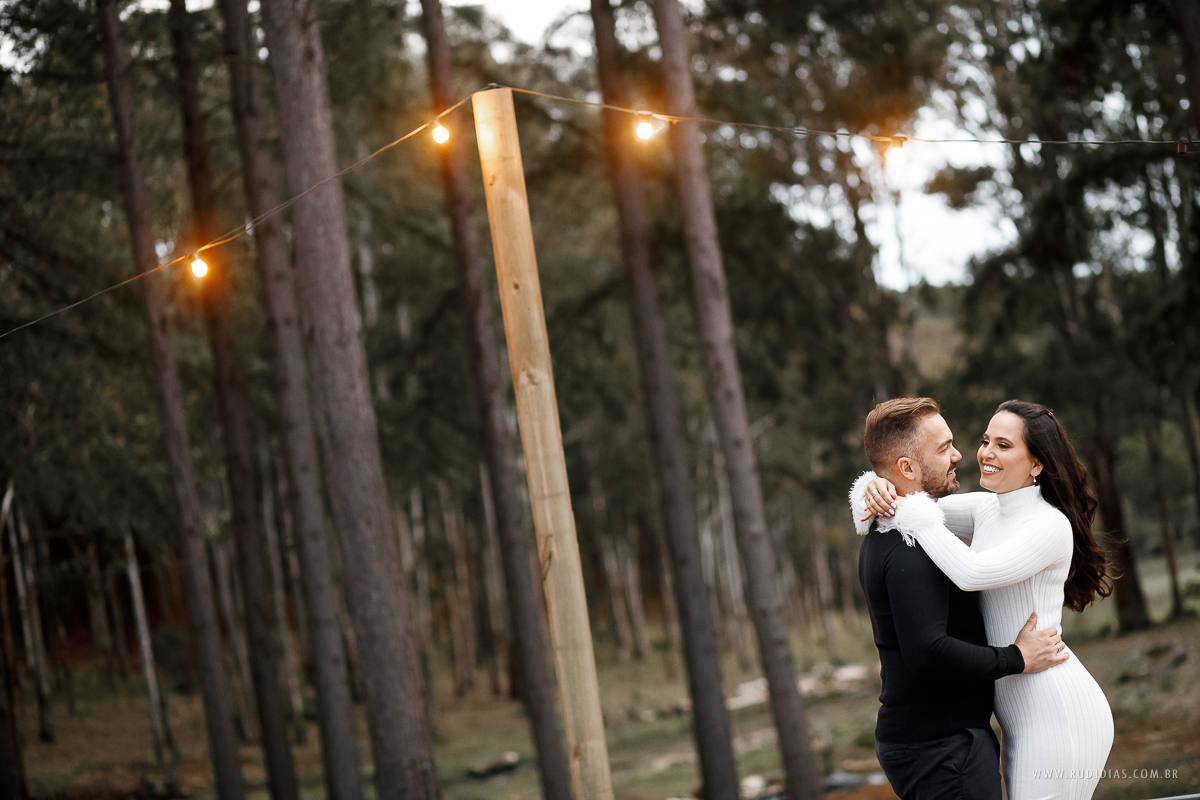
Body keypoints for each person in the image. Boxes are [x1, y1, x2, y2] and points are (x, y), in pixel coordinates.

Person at [855, 399, 1114, 800]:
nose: (983, 453)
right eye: (985, 440)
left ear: (1037, 463)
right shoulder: (987, 509)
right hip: (1015, 716)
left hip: (1057, 710)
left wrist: (898, 500)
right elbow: (913, 502)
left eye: (1004, 445)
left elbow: (971, 571)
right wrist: (873, 488)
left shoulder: (1048, 525)